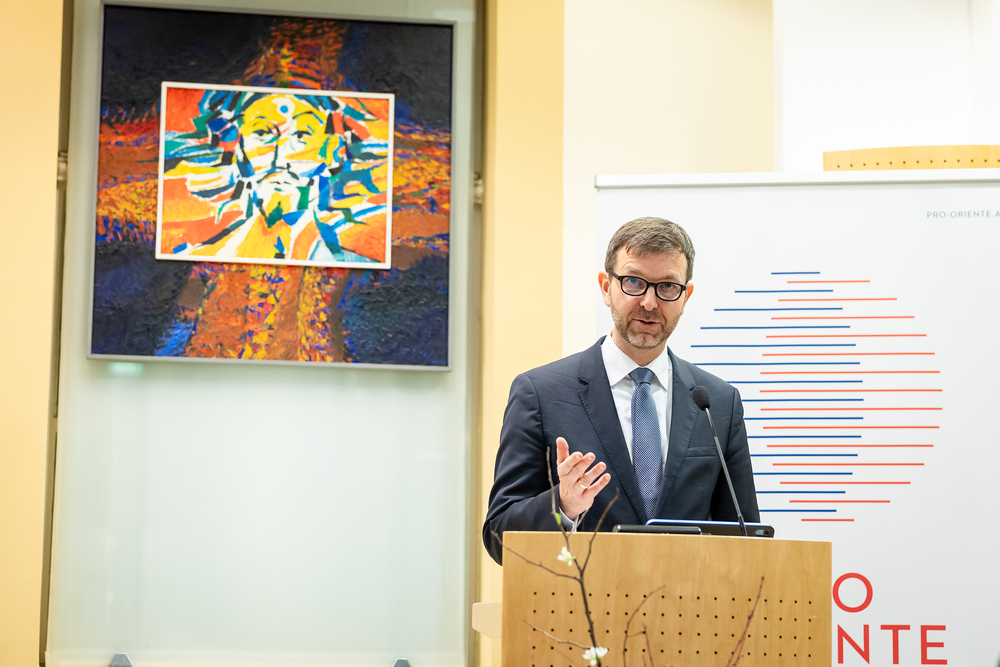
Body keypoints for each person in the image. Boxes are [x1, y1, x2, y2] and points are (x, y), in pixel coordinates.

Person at [483, 216, 759, 565]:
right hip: (581, 597)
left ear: (686, 296)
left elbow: (747, 541)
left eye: (667, 287)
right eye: (633, 282)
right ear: (606, 287)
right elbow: (499, 537)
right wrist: (563, 506)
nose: (649, 302)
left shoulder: (717, 402)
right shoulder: (540, 394)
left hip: (689, 597)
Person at [159, 88, 390, 265]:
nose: (280, 156)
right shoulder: (201, 258)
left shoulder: (353, 268)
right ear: (239, 147)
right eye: (262, 132)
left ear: (330, 151)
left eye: (302, 135)